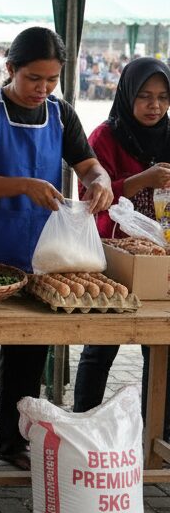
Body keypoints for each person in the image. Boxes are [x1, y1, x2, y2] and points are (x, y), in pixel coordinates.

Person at [0, 26, 113, 472]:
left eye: (51, 80)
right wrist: (24, 185)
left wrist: (100, 180)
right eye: (33, 78)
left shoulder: (60, 114)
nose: (42, 88)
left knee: (28, 354)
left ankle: (14, 442)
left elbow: (88, 164)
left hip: (42, 255)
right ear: (11, 68)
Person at [73, 57, 170, 434]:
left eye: (163, 97)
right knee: (101, 346)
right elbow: (90, 196)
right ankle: (84, 426)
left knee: (161, 349)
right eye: (145, 96)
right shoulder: (105, 137)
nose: (154, 106)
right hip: (111, 257)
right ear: (128, 94)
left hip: (158, 258)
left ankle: (157, 435)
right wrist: (142, 179)